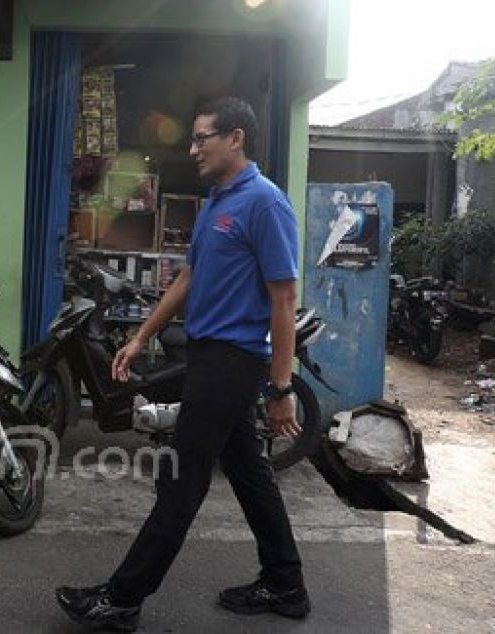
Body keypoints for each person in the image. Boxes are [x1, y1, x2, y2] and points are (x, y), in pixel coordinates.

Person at [55, 97, 309, 631]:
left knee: (181, 478)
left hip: (235, 360)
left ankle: (123, 598)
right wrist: (140, 336)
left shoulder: (265, 204)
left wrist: (282, 387)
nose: (193, 150)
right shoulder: (217, 202)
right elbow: (188, 280)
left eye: (202, 138)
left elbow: (283, 299)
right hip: (209, 353)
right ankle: (285, 583)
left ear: (234, 138)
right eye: (192, 140)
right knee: (247, 470)